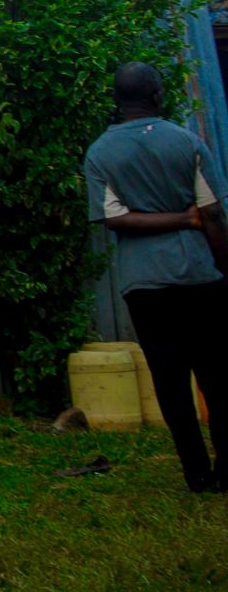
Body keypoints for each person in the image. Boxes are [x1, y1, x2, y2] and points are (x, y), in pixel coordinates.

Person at [83, 61, 228, 491]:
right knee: (217, 375)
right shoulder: (186, 142)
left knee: (169, 379)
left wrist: (176, 219)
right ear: (158, 96)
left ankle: (196, 473)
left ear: (115, 101)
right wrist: (191, 226)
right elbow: (213, 214)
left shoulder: (99, 154)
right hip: (201, 277)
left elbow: (116, 220)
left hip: (143, 285)